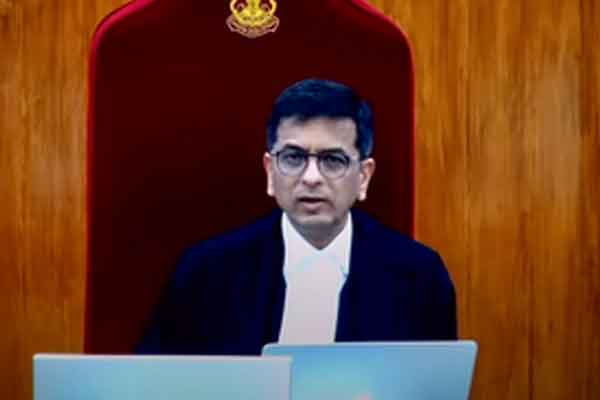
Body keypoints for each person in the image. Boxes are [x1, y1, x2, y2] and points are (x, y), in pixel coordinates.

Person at [136, 78, 457, 355]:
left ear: (363, 177)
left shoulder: (419, 277)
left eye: (333, 160)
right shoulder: (206, 273)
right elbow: (155, 385)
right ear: (270, 171)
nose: (311, 178)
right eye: (293, 158)